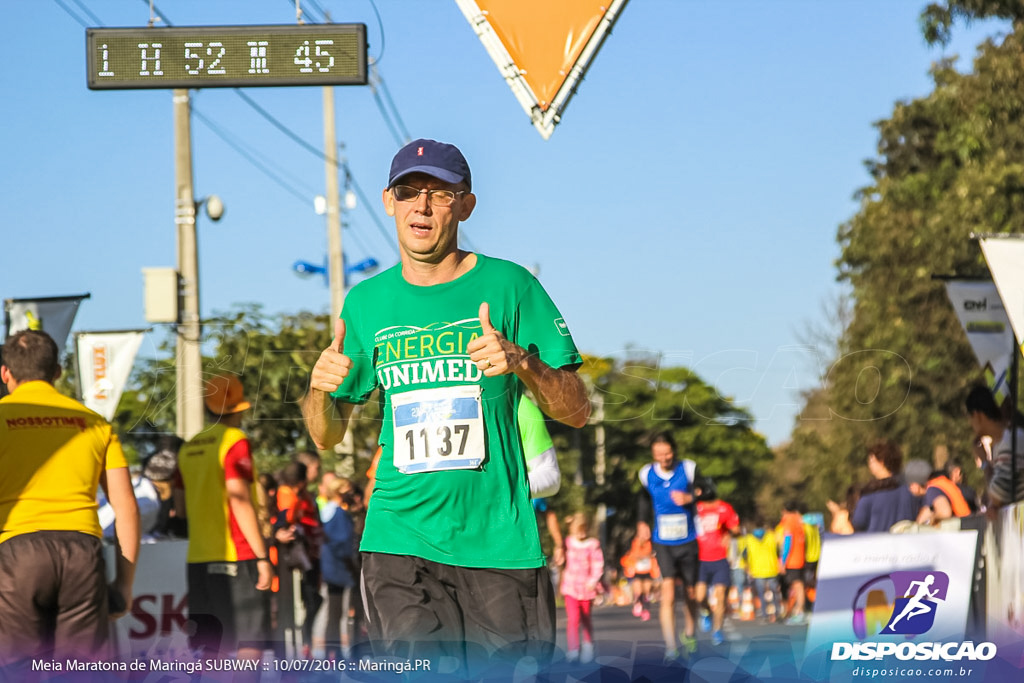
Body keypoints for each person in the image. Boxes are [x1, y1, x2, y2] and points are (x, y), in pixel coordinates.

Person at [301, 138, 590, 673]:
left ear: (466, 204)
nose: (423, 206)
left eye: (439, 193)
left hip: (497, 543)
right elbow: (326, 435)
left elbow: (577, 410)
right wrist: (318, 389)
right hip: (397, 537)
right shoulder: (365, 303)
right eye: (410, 192)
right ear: (389, 201)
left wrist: (523, 362)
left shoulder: (511, 286)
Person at [0, 330, 140, 668]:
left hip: (17, 556)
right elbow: (126, 509)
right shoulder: (95, 423)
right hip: (82, 553)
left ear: (5, 373)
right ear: (57, 372)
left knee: (18, 671)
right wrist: (123, 586)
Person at [175, 373, 272, 664]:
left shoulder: (189, 446)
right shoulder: (234, 441)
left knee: (209, 643)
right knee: (248, 643)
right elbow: (238, 499)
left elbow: (179, 509)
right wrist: (262, 556)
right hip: (237, 555)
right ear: (240, 408)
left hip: (198, 559)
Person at [638, 432, 700, 661]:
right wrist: (642, 522)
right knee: (669, 592)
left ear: (674, 450)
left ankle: (690, 633)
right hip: (663, 541)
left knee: (691, 593)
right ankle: (671, 646)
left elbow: (709, 490)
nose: (663, 458)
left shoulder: (689, 469)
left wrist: (690, 497)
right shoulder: (646, 474)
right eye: (658, 454)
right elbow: (643, 500)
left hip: (688, 540)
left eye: (667, 453)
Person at [273, 459, 324, 658]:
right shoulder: (286, 495)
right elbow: (283, 520)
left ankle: (305, 645)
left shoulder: (305, 496)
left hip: (308, 558)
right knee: (291, 606)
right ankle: (288, 654)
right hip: (290, 561)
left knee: (312, 601)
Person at [694, 479, 740, 645]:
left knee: (720, 596)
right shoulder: (694, 509)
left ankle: (717, 630)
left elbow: (736, 529)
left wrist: (730, 534)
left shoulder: (724, 508)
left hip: (720, 559)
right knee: (699, 597)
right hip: (700, 560)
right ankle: (706, 612)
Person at [965, 384, 1024, 509]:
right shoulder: (1002, 443)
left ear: (978, 415)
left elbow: (997, 496)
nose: (970, 423)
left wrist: (985, 462)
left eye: (970, 417)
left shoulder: (1010, 441)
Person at [319, 477, 357, 660]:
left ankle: (333, 650)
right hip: (337, 568)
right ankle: (333, 652)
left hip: (330, 567)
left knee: (334, 611)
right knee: (335, 611)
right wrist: (350, 564)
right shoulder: (338, 514)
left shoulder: (326, 510)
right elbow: (341, 543)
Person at [560, 512, 604, 664]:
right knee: (573, 619)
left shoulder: (592, 544)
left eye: (584, 529)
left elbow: (598, 564)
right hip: (571, 587)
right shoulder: (568, 543)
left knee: (585, 618)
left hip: (587, 588)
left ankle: (588, 646)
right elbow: (561, 559)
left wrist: (593, 581)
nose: (581, 533)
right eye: (578, 529)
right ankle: (573, 649)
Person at [850, 440, 921, 532]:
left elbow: (858, 522)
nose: (869, 465)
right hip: (906, 543)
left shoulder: (871, 493)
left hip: (878, 543)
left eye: (872, 461)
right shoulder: (912, 490)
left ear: (881, 462)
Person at [742, 518, 783, 623]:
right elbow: (780, 551)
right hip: (771, 569)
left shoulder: (749, 539)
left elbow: (744, 555)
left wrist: (746, 568)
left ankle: (765, 615)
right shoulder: (772, 536)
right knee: (774, 592)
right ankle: (777, 613)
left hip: (758, 571)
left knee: (762, 593)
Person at [620, 520, 659, 622]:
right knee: (638, 590)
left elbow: (654, 554)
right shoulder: (633, 542)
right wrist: (640, 556)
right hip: (636, 571)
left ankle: (646, 609)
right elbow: (629, 556)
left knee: (646, 590)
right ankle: (637, 603)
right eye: (644, 532)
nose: (647, 534)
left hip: (648, 571)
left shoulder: (652, 543)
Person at [776, 502, 806, 625]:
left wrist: (783, 561)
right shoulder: (799, 520)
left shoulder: (788, 521)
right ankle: (799, 610)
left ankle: (799, 612)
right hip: (800, 557)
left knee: (797, 586)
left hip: (792, 560)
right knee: (799, 585)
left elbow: (787, 542)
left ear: (784, 511)